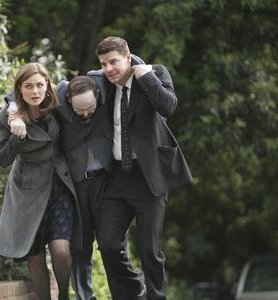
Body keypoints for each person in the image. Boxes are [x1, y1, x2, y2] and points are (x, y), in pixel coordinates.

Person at [87, 36, 193, 300]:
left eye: (114, 62)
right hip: (117, 178)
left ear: (128, 56)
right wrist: (13, 107)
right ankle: (134, 290)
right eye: (104, 63)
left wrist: (145, 76)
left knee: (149, 251)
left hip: (148, 177)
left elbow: (168, 106)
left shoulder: (155, 73)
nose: (109, 69)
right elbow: (58, 89)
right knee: (109, 246)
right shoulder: (100, 81)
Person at [10, 75, 116, 300]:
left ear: (97, 95)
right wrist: (14, 115)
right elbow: (21, 94)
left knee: (113, 244)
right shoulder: (59, 94)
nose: (86, 114)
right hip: (76, 182)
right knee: (80, 246)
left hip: (107, 182)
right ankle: (85, 297)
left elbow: (123, 65)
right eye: (79, 110)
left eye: (90, 108)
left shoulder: (104, 84)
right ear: (68, 99)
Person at [0, 62, 82, 300]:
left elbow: (80, 84)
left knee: (61, 251)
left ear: (47, 86)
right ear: (20, 90)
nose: (35, 91)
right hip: (27, 190)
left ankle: (63, 295)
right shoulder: (5, 117)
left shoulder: (56, 103)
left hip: (59, 184)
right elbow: (2, 159)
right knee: (35, 255)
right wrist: (16, 133)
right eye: (28, 86)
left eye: (40, 85)